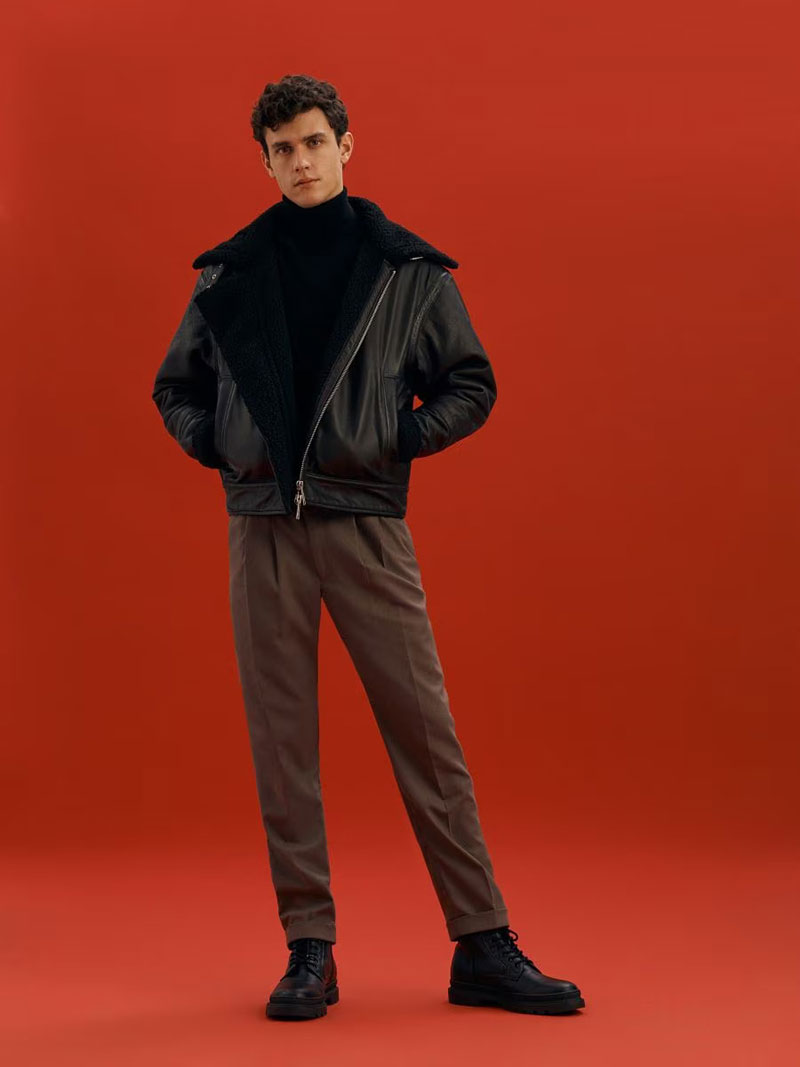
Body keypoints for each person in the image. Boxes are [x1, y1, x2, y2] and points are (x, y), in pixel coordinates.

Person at [152, 73, 584, 1021]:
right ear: (264, 160)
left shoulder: (407, 272)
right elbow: (174, 386)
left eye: (313, 142)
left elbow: (471, 382)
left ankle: (481, 942)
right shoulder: (229, 273)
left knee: (426, 734)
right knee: (283, 743)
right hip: (263, 530)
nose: (301, 162)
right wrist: (221, 448)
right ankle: (310, 948)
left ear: (347, 144)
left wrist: (396, 440)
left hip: (366, 526)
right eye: (282, 149)